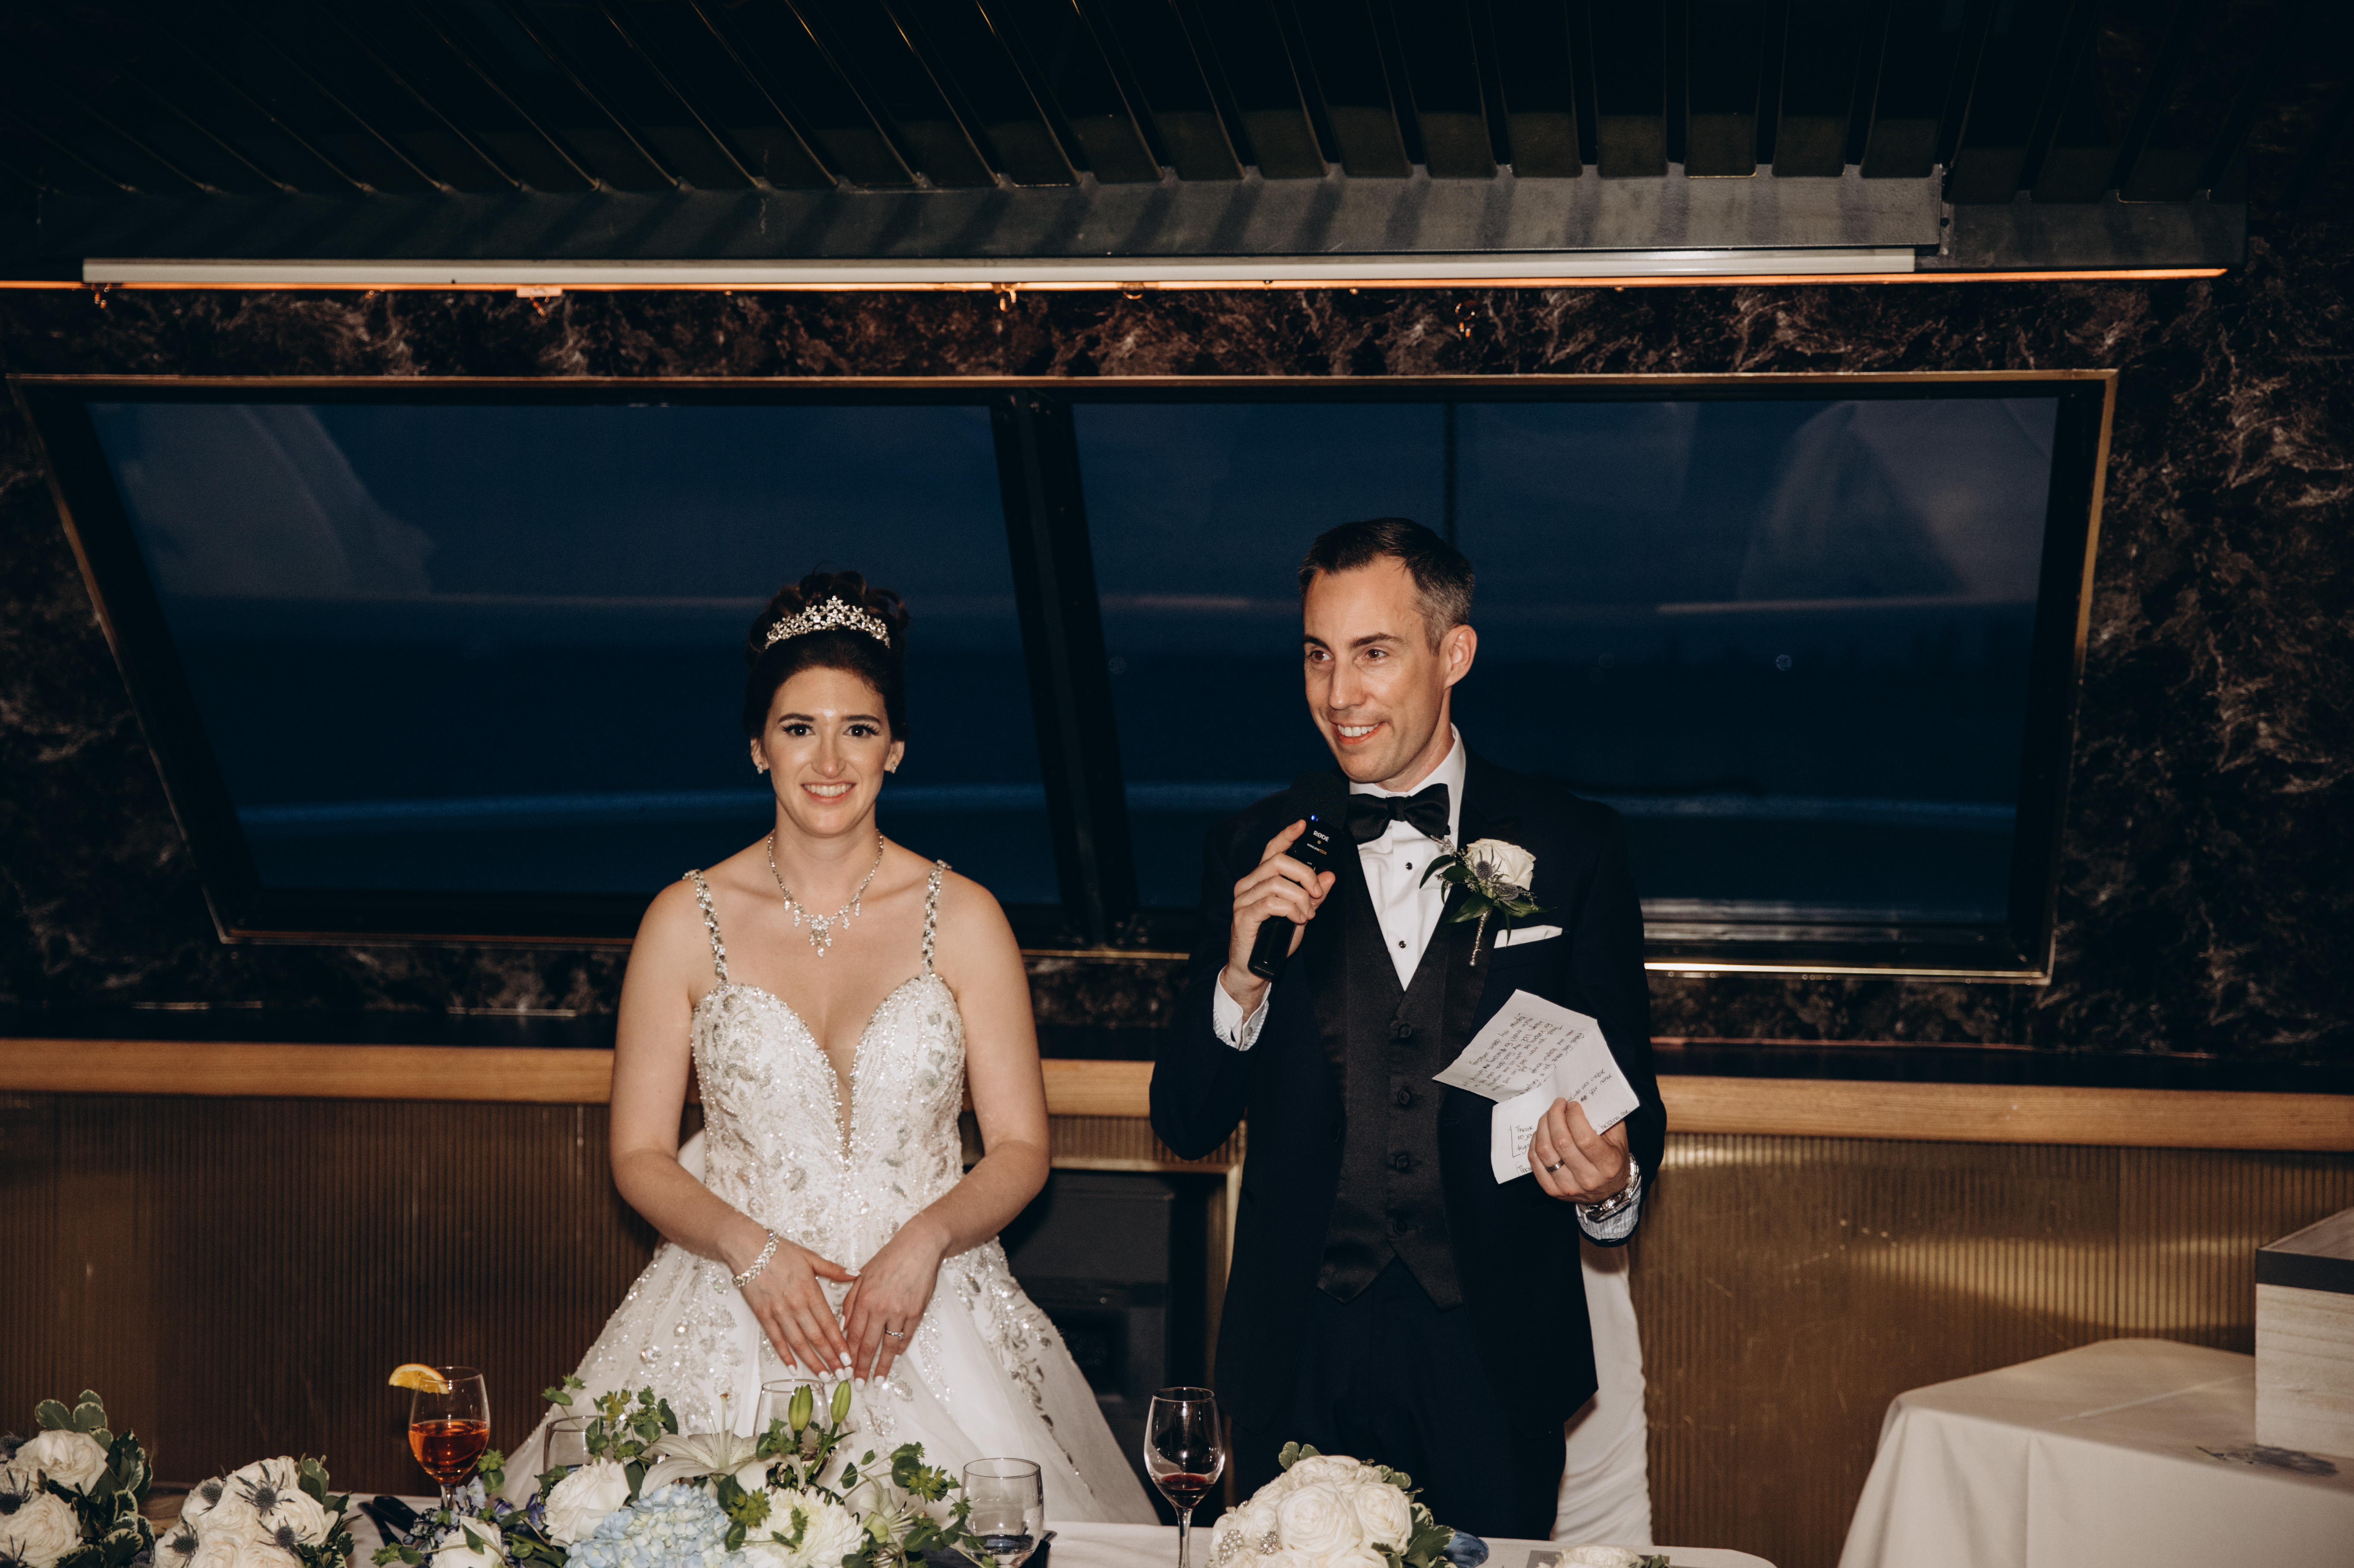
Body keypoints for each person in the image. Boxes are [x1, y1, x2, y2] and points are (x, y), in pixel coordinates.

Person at [510, 570, 1152, 1525]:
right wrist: (751, 1251)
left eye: (857, 728)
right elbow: (639, 1154)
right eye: (798, 727)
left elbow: (1022, 1147)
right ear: (758, 747)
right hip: (735, 1303)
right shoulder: (682, 921)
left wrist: (927, 1239)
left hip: (931, 1305)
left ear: (895, 748)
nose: (829, 759)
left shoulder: (967, 917)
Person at [1150, 518, 1667, 1542]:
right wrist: (1239, 980)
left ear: (1454, 653)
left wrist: (1610, 1189)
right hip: (1297, 1350)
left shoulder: (1573, 845)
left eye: (1374, 654)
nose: (1338, 694)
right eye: (1318, 655)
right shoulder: (1252, 847)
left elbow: (1631, 1103)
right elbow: (1187, 1120)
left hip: (1493, 1356)